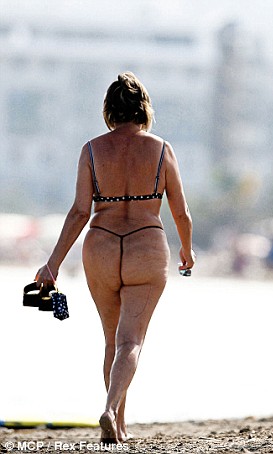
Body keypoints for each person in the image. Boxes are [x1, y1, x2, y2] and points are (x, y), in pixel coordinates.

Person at [35, 72, 195, 443]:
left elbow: (79, 211)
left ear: (109, 109)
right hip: (145, 247)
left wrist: (53, 262)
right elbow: (181, 212)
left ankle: (118, 427)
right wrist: (187, 250)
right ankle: (111, 412)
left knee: (112, 341)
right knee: (130, 342)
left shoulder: (92, 150)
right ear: (144, 109)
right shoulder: (161, 149)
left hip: (102, 247)